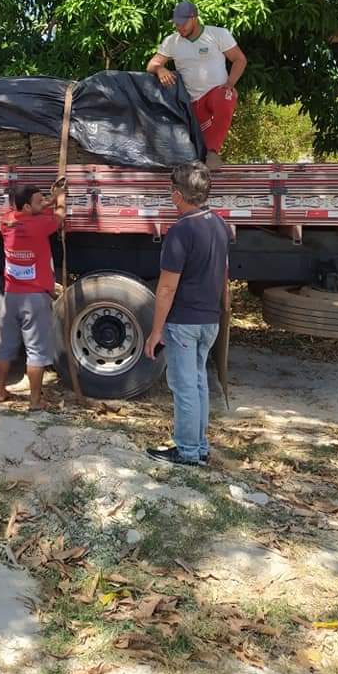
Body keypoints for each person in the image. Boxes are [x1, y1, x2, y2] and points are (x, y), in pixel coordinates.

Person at [144, 161, 230, 467]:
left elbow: (166, 289)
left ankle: (188, 452)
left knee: (183, 388)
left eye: (171, 191)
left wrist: (156, 331)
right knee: (198, 383)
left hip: (184, 323)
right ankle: (200, 446)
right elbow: (223, 275)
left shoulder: (180, 232)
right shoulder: (218, 223)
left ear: (178, 194)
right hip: (209, 319)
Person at [147, 1, 247, 170]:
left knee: (227, 95)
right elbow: (151, 64)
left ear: (193, 18)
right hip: (191, 106)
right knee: (194, 157)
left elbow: (240, 59)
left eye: (182, 23)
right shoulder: (172, 41)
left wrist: (230, 84)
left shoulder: (218, 34)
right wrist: (160, 68)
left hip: (215, 96)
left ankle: (213, 152)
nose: (179, 28)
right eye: (176, 24)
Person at [0, 181, 65, 410]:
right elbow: (60, 217)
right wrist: (60, 199)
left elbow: (33, 211)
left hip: (11, 295)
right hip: (34, 297)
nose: (43, 204)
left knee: (5, 347)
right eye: (38, 201)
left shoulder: (6, 221)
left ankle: (0, 392)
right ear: (26, 207)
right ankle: (35, 401)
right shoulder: (41, 225)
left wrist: (47, 200)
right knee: (36, 351)